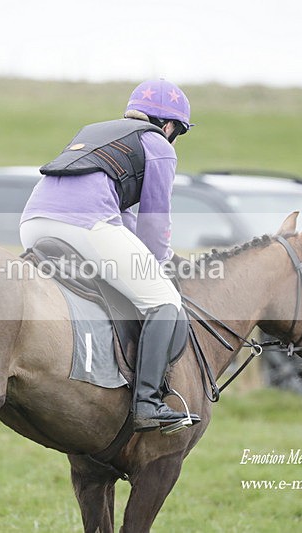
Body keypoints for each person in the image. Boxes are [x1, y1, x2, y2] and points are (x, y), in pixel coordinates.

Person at [20, 79, 200, 433]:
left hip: (33, 223)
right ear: (169, 126)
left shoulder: (98, 131)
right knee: (163, 300)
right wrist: (162, 264)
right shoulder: (158, 144)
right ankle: (147, 402)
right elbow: (154, 218)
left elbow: (125, 219)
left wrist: (145, 258)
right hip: (85, 225)